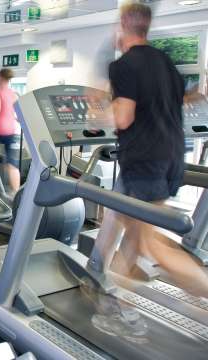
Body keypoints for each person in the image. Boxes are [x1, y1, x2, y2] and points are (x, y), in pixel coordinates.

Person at [87, 2, 208, 339]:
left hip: (144, 162)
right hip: (168, 160)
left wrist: (96, 113)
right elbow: (180, 100)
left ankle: (126, 313)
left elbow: (123, 117)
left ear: (124, 24)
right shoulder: (165, 63)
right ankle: (109, 295)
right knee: (117, 222)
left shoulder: (124, 65)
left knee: (150, 245)